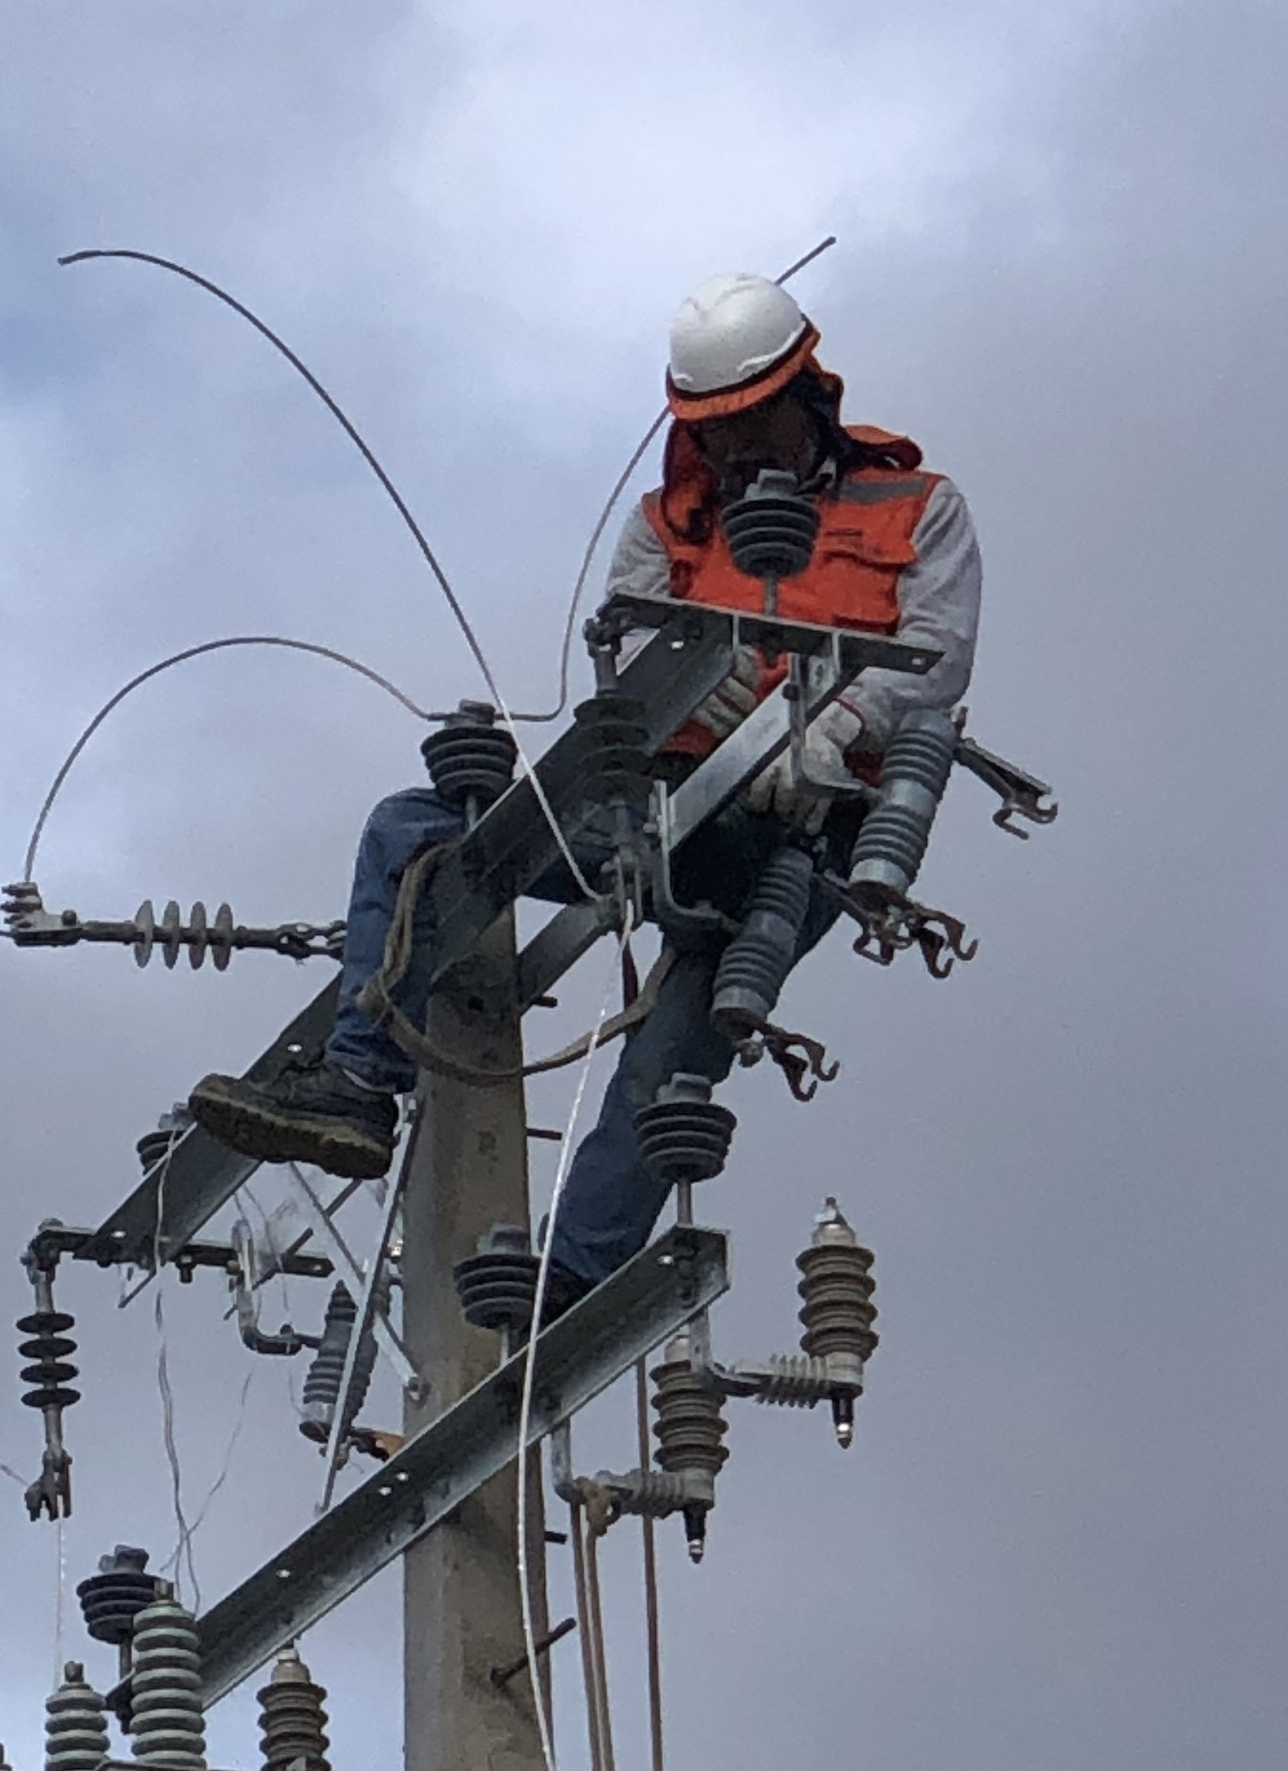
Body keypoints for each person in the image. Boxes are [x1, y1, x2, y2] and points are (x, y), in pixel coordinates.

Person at [187, 272, 981, 1297]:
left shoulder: (917, 507)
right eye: (714, 430)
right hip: (668, 807)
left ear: (807, 395)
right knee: (417, 833)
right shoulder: (668, 524)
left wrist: (833, 729)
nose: (737, 449)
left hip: (810, 830)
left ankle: (567, 1281)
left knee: (675, 1057)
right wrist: (707, 705)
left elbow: (935, 658)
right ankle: (357, 1085)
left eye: (752, 420)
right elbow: (637, 648)